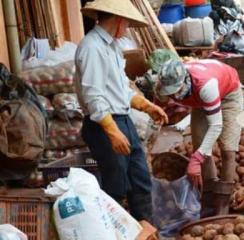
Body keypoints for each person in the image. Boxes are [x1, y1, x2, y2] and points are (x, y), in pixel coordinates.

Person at [75, 0, 168, 222]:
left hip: (122, 120)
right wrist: (112, 130)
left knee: (140, 179)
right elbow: (93, 96)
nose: (126, 29)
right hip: (103, 124)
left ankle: (146, 231)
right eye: (126, 23)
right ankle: (114, 231)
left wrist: (147, 106)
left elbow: (121, 90)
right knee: (116, 186)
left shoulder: (113, 47)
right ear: (118, 20)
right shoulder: (91, 47)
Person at [155, 59, 244, 216]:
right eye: (170, 92)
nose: (174, 95)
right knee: (202, 147)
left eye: (176, 90)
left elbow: (216, 126)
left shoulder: (205, 85)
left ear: (185, 80)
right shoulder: (162, 86)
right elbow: (156, 111)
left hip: (228, 94)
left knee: (228, 150)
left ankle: (223, 204)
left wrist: (196, 160)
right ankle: (209, 198)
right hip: (200, 102)